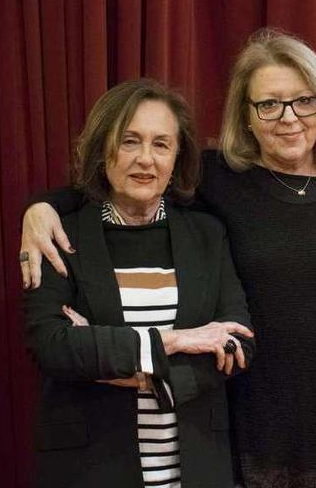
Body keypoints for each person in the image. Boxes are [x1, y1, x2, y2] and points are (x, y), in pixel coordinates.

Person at [20, 30, 316, 488]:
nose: (288, 118)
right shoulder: (220, 178)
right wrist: (39, 208)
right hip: (247, 416)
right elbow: (128, 182)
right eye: (269, 104)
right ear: (246, 115)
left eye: (303, 101)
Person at [22, 78, 254, 488]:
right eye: (130, 141)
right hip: (93, 468)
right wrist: (178, 341)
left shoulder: (206, 234)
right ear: (103, 150)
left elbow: (237, 341)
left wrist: (118, 365)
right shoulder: (61, 235)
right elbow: (53, 346)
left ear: (176, 157)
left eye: (161, 144)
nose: (145, 159)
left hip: (197, 468)